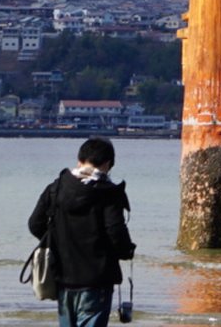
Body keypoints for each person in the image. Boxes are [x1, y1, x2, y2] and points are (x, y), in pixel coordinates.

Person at [28, 136, 135, 327]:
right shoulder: (108, 193)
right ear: (108, 164)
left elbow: (35, 224)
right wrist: (127, 251)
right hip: (97, 280)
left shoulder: (56, 188)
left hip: (63, 277)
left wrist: (58, 241)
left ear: (80, 159)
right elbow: (116, 232)